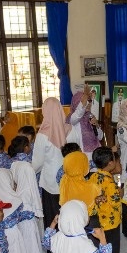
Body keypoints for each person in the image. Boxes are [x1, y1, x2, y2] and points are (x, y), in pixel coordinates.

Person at [89, 147, 124, 253]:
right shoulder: (110, 183)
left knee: (102, 247)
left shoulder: (93, 176)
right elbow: (116, 200)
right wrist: (120, 193)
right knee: (113, 249)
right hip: (111, 222)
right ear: (110, 163)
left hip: (98, 220)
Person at [32, 97, 71, 227]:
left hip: (50, 182)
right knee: (66, 211)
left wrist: (29, 173)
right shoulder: (69, 129)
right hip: (67, 177)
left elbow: (37, 163)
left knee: (52, 215)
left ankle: (53, 244)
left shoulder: (43, 135)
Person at [11, 161, 47, 253]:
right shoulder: (27, 189)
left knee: (30, 247)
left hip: (26, 224)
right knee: (32, 246)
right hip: (28, 224)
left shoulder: (21, 190)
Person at [66, 89, 103, 158]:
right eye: (86, 101)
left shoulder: (90, 115)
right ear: (77, 103)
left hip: (96, 153)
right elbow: (78, 113)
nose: (89, 104)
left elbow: (100, 137)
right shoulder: (72, 118)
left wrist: (97, 125)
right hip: (82, 155)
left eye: (89, 101)